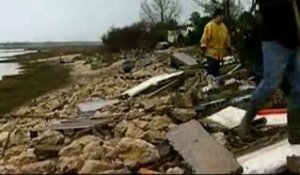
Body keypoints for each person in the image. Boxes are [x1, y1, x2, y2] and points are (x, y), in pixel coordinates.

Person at [237, 0, 300, 172]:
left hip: (295, 42)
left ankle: (295, 134)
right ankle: (248, 117)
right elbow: (266, 9)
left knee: (299, 88)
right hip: (275, 40)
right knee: (271, 83)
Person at [200, 9, 231, 77]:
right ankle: (211, 83)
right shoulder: (209, 26)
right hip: (211, 53)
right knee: (211, 70)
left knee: (217, 71)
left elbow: (227, 38)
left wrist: (228, 47)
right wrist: (203, 48)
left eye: (222, 16)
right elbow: (205, 39)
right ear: (216, 16)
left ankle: (216, 83)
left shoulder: (224, 27)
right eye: (221, 16)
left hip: (220, 54)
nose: (222, 18)